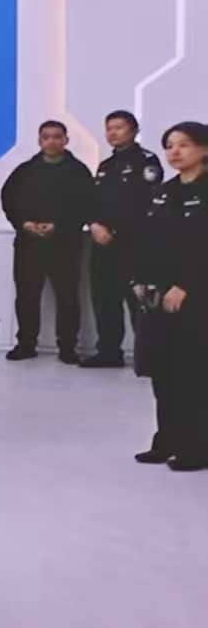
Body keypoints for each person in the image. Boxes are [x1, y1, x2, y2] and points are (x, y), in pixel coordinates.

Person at [132, 121, 208, 472]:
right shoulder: (164, 192)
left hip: (197, 297)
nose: (174, 152)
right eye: (169, 145)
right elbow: (148, 240)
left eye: (184, 145)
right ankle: (167, 441)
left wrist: (186, 285)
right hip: (160, 297)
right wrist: (140, 278)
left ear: (204, 149)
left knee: (193, 373)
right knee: (163, 372)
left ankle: (197, 447)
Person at [0, 120, 95, 363]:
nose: (51, 141)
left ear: (66, 140)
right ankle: (26, 344)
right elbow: (8, 199)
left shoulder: (78, 171)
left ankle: (68, 348)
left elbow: (87, 204)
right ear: (39, 141)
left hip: (65, 245)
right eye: (46, 137)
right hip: (29, 244)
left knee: (67, 297)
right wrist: (24, 223)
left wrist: (59, 226)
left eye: (57, 136)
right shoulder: (25, 171)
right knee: (27, 296)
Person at [84, 109, 165, 369]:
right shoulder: (105, 166)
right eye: (109, 128)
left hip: (134, 243)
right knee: (104, 299)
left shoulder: (147, 161)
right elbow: (94, 201)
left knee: (138, 301)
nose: (112, 133)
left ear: (134, 130)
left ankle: (148, 357)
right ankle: (109, 352)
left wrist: (115, 230)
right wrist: (94, 224)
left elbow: (145, 204)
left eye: (118, 127)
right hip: (102, 244)